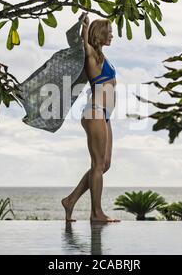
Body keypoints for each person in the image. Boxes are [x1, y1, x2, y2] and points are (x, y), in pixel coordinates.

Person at [61, 13, 120, 223]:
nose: (112, 35)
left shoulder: (101, 56)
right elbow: (83, 44)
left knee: (105, 164)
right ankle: (96, 213)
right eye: (109, 32)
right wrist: (84, 27)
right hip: (94, 111)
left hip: (104, 114)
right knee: (97, 164)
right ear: (100, 34)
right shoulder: (91, 54)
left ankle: (70, 200)